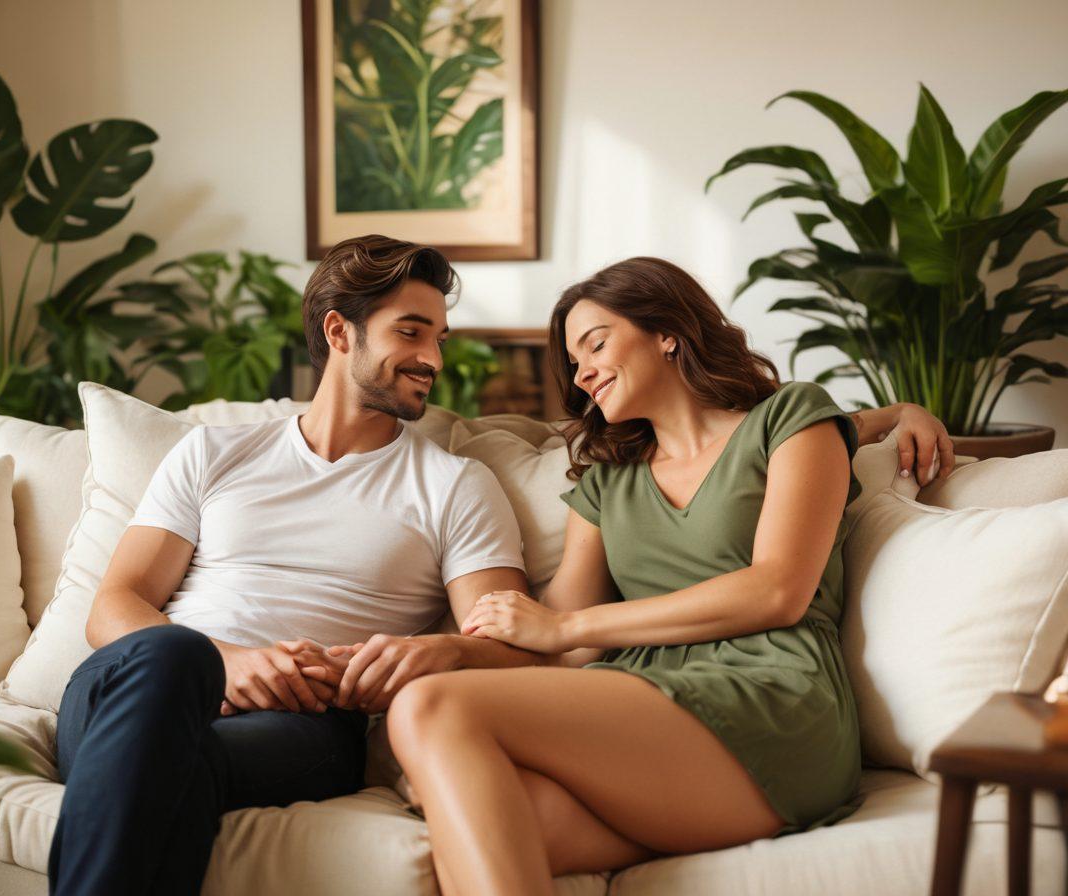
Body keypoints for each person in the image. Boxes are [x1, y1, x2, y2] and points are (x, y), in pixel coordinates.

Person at [385, 256, 955, 896]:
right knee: (483, 827)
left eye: (596, 344)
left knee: (429, 707)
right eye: (573, 361)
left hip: (771, 692)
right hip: (652, 717)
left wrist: (901, 412)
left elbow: (777, 590)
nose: (583, 373)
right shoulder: (607, 480)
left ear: (667, 332)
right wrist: (440, 651)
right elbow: (558, 645)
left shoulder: (788, 420)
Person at [47, 235, 540, 896]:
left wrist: (443, 651)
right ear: (339, 331)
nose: (433, 358)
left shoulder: (455, 485)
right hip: (133, 686)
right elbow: (114, 606)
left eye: (439, 338)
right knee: (173, 661)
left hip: (300, 721)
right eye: (411, 332)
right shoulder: (211, 453)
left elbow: (514, 647)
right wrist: (226, 662)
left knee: (165, 764)